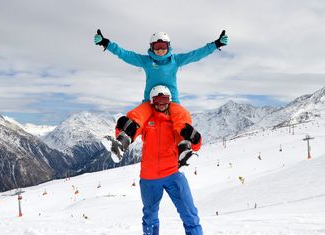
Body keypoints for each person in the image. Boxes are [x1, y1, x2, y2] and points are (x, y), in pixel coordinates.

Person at [94, 30, 228, 158]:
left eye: (163, 46)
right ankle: (122, 142)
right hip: (150, 101)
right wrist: (107, 43)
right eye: (156, 46)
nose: (160, 50)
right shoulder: (146, 61)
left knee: (181, 116)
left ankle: (185, 147)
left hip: (171, 101)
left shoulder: (175, 60)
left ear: (168, 46)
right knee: (137, 115)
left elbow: (196, 54)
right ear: (151, 47)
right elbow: (125, 54)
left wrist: (216, 44)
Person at [115, 85, 209, 235]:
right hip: (149, 176)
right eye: (157, 101)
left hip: (172, 173)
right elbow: (130, 134)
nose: (161, 105)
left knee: (188, 211)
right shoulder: (148, 120)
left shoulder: (175, 121)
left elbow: (192, 145)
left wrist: (195, 139)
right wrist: (121, 129)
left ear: (169, 101)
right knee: (150, 212)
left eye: (164, 101)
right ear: (152, 102)